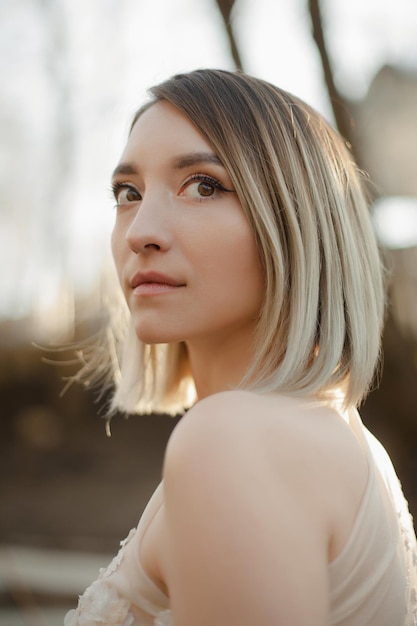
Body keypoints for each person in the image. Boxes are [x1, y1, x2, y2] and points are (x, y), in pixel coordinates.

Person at [64, 69, 417, 626]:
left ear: (300, 221)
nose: (140, 231)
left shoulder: (234, 439)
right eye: (127, 193)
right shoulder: (333, 435)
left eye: (204, 184)